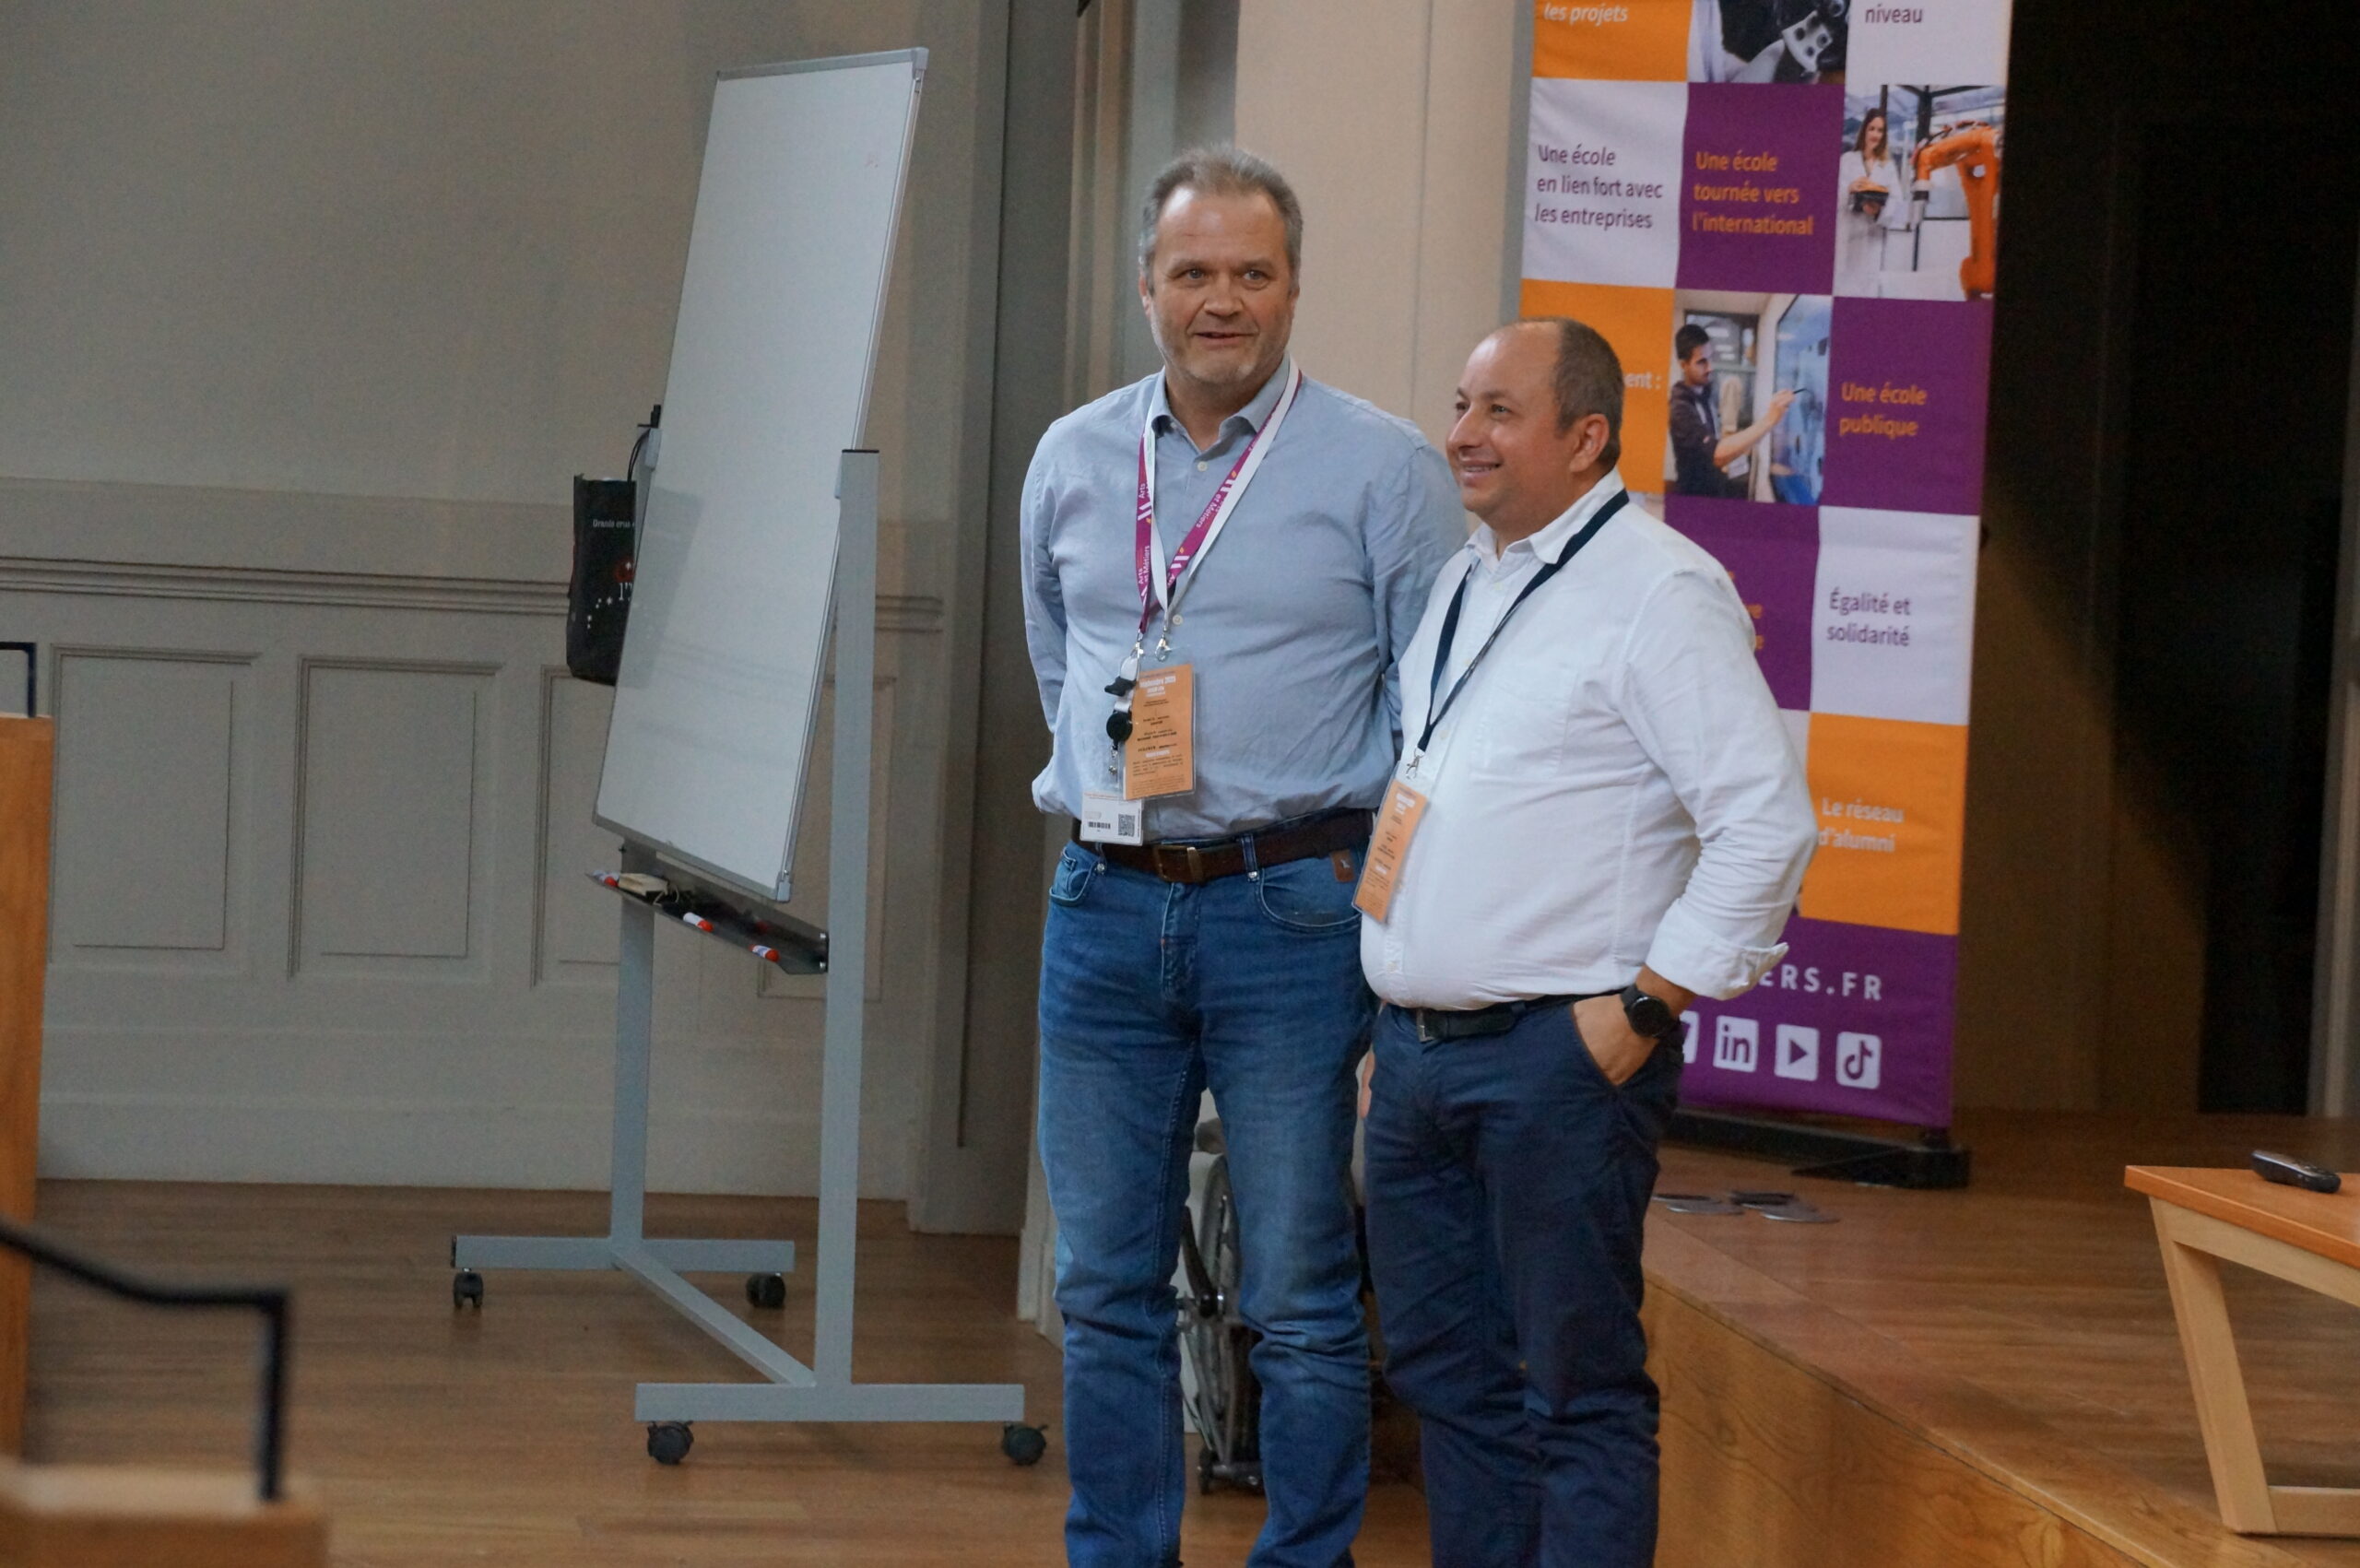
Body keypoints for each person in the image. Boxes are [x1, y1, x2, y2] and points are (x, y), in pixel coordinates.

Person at [1021, 145, 1458, 1568]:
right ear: (1146, 286)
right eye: (1194, 271)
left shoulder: (1385, 466)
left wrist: (1384, 932)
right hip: (1104, 905)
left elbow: (1435, 720)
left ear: (1293, 286)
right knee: (1103, 1287)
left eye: (1252, 273)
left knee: (1301, 1296)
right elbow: (1062, 662)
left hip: (1295, 915)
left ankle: (1305, 1556)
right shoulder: (1072, 457)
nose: (1223, 300)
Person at [1358, 317, 1815, 1567]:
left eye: (1498, 411)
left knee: (1575, 1392)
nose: (1463, 433)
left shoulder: (1658, 589)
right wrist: (1398, 1015)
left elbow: (1765, 824)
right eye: (1461, 405)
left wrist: (1647, 1007)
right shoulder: (1468, 578)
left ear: (1586, 436)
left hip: (1558, 1062)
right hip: (1418, 1062)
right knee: (1449, 1380)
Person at [1668, 322, 1792, 500]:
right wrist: (1770, 420)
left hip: (1714, 487)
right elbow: (1717, 455)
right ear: (1683, 365)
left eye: (1710, 358)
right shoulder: (1680, 409)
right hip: (1694, 497)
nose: (1710, 368)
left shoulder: (1705, 393)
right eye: (1701, 362)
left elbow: (1715, 441)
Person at [1836, 106, 1915, 291]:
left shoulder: (1888, 166)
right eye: (1872, 128)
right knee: (1843, 287)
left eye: (1880, 130)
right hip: (1847, 236)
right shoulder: (1847, 160)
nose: (1875, 134)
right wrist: (1849, 189)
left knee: (1868, 287)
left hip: (1872, 239)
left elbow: (1898, 204)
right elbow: (1830, 196)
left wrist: (1878, 211)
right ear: (1864, 130)